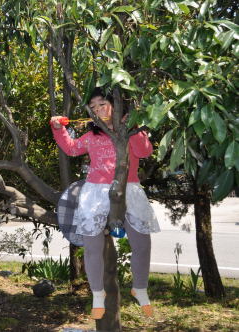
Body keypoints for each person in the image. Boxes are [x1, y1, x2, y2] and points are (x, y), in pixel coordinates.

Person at [49, 88, 160, 320]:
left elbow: (145, 151)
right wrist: (58, 129)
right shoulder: (92, 136)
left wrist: (133, 127)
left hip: (128, 190)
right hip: (95, 192)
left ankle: (139, 289)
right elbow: (71, 149)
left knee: (142, 243)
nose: (98, 110)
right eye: (94, 106)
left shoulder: (131, 131)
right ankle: (97, 295)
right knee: (93, 247)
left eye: (103, 104)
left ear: (117, 105)